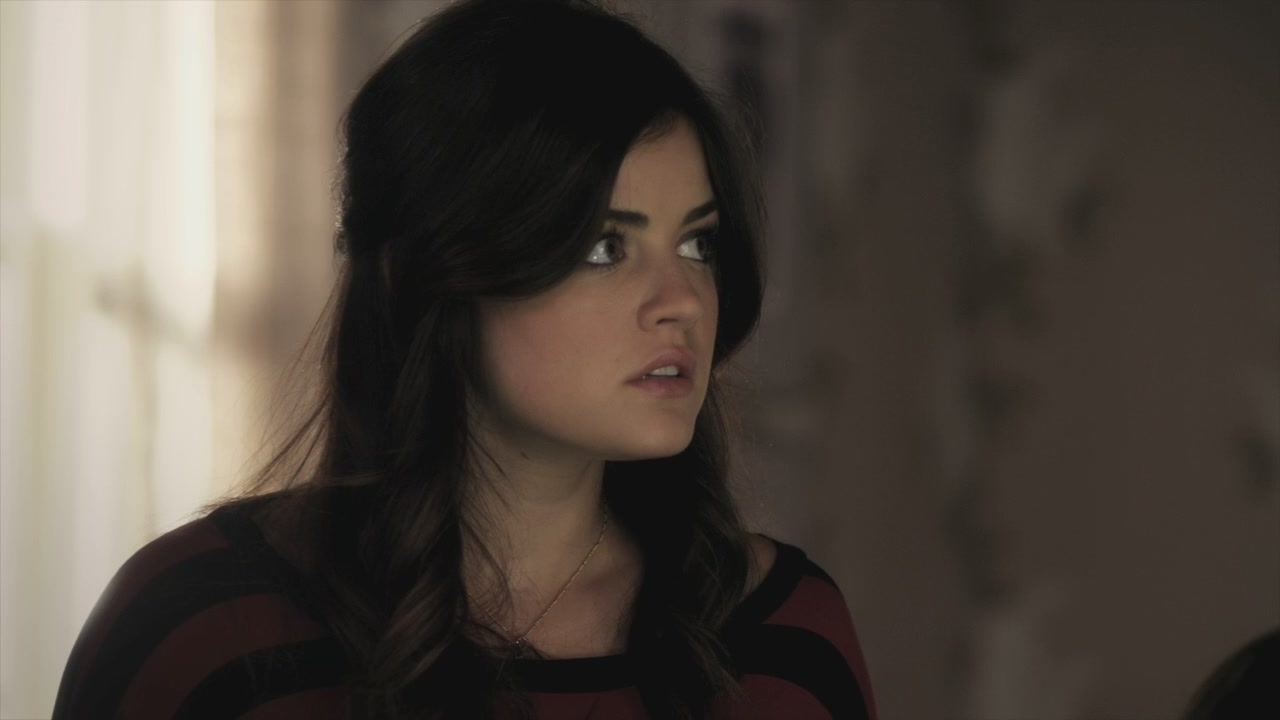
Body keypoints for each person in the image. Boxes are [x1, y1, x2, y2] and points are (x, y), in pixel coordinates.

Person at [52, 0, 876, 717]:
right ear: (428, 275)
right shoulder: (198, 633)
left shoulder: (786, 641)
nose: (684, 301)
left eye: (697, 243)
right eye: (603, 247)